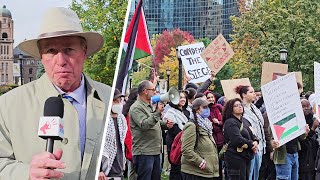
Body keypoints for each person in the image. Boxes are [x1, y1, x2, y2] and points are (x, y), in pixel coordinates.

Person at [0, 7, 111, 179]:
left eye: (68, 50)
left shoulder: (109, 97)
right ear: (41, 56)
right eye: (51, 51)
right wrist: (26, 173)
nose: (61, 61)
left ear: (84, 52)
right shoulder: (7, 106)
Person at [129, 80, 173, 180]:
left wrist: (165, 124)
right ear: (145, 91)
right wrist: (157, 113)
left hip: (155, 151)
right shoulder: (136, 107)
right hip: (144, 152)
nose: (155, 92)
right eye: (153, 90)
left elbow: (154, 123)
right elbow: (144, 124)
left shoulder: (148, 106)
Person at [181, 98, 219, 179]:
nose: (208, 109)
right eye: (204, 107)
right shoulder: (192, 125)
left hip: (206, 172)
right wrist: (200, 162)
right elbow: (186, 150)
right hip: (195, 172)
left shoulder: (207, 125)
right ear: (197, 109)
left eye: (208, 107)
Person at [235, 85, 266, 180]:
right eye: (251, 92)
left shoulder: (254, 108)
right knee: (250, 174)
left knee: (256, 174)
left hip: (260, 145)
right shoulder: (241, 109)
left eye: (254, 91)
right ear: (244, 95)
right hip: (251, 146)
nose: (254, 94)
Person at [223, 98, 258, 180]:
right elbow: (237, 139)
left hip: (246, 156)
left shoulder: (245, 120)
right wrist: (251, 144)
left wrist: (256, 142)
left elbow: (253, 134)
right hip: (235, 158)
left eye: (240, 105)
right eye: (236, 106)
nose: (240, 107)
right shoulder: (230, 122)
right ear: (231, 109)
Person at [101, 88, 127, 180]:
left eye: (120, 101)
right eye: (115, 101)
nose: (119, 104)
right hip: (105, 172)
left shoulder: (121, 119)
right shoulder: (102, 119)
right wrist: (99, 169)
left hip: (119, 170)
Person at [164, 91, 190, 180]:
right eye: (180, 97)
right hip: (175, 144)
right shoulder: (170, 112)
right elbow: (173, 130)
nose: (182, 99)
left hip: (186, 143)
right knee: (176, 168)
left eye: (184, 97)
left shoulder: (187, 112)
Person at [204, 90, 224, 180]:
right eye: (208, 98)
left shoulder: (219, 107)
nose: (211, 99)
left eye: (212, 97)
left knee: (221, 163)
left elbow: (226, 120)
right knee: (215, 163)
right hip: (212, 140)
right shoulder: (205, 110)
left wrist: (219, 122)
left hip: (222, 140)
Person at [298, 99, 319, 180]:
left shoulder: (313, 118)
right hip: (302, 153)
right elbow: (303, 139)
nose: (306, 108)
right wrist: (313, 128)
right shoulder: (299, 119)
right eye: (303, 106)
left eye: (308, 106)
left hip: (312, 153)